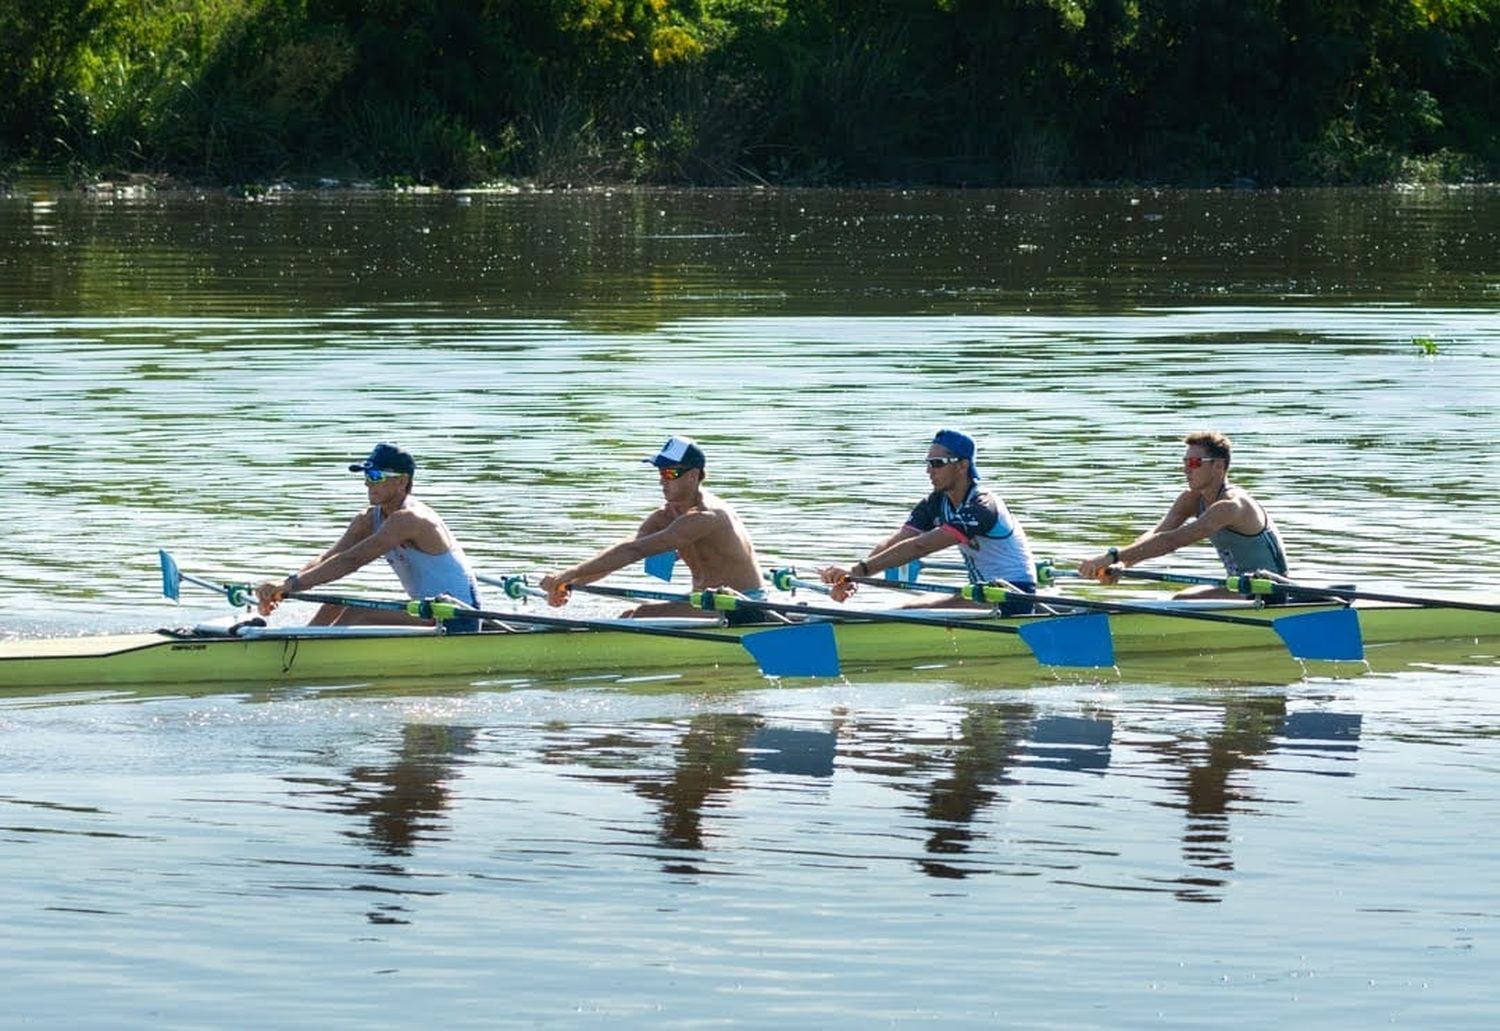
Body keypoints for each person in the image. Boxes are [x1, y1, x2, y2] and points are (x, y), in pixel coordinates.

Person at [539, 436, 774, 623]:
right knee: (631, 615)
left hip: (745, 607)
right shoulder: (664, 516)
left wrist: (568, 574)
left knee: (640, 615)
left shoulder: (707, 516)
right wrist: (570, 584)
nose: (662, 480)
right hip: (705, 602)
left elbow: (635, 550)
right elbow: (623, 553)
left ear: (693, 476)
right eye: (660, 472)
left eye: (671, 473)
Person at [254, 442, 483, 631]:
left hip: (459, 618)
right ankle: (298, 643)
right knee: (333, 605)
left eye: (375, 476)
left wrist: (288, 586)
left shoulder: (410, 520)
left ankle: (312, 656)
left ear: (402, 481)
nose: (367, 483)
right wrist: (283, 586)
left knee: (357, 612)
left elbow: (351, 560)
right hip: (428, 611)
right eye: (366, 476)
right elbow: (331, 557)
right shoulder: (368, 518)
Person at [819, 429, 1038, 614]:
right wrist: (855, 577)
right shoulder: (936, 502)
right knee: (909, 609)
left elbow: (921, 546)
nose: (928, 470)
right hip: (983, 592)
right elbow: (898, 540)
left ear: (962, 465)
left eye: (937, 463)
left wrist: (857, 571)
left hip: (1014, 595)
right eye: (928, 463)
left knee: (910, 611)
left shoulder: (983, 507)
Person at [1076, 430, 1289, 599]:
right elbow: (1157, 534)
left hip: (1271, 592)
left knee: (1181, 601)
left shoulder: (1231, 506)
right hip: (1240, 588)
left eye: (1195, 463)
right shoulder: (1191, 499)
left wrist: (1111, 556)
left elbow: (1170, 541)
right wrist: (1121, 565)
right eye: (1185, 463)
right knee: (1182, 600)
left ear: (1219, 466)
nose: (1187, 470)